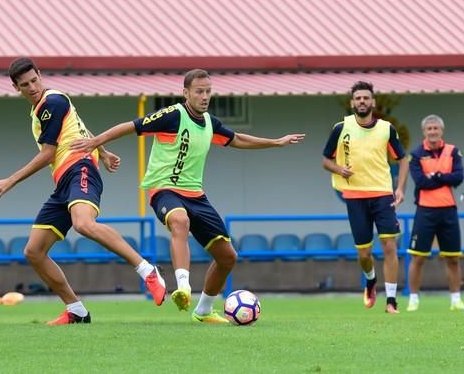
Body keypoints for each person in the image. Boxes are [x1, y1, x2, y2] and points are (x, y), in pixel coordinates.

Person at [71, 69, 305, 323]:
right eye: (199, 91)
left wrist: (275, 142)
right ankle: (183, 287)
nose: (205, 97)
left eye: (208, 91)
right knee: (180, 221)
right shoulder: (172, 115)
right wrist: (97, 142)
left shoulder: (210, 123)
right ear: (186, 93)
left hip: (196, 195)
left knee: (227, 257)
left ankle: (203, 311)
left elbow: (236, 139)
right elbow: (131, 126)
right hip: (164, 189)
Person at [0, 57, 166, 325]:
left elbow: (49, 153)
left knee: (83, 224)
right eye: (25, 84)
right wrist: (103, 151)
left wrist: (11, 180)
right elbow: (79, 126)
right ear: (16, 88)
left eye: (35, 80)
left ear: (40, 74)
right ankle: (76, 310)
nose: (32, 87)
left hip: (79, 169)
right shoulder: (45, 108)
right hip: (64, 181)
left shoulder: (52, 102)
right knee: (34, 252)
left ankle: (147, 270)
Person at [322, 81, 408, 314]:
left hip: (382, 194)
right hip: (355, 196)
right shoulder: (341, 127)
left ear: (373, 102)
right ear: (352, 102)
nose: (362, 101)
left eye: (365, 98)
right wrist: (339, 170)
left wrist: (400, 189)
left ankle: (391, 301)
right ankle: (370, 280)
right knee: (364, 253)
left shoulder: (386, 129)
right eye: (358, 98)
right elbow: (325, 160)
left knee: (390, 245)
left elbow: (403, 159)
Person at [406, 115, 464, 312]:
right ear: (424, 132)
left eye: (436, 128)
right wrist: (444, 178)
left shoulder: (453, 151)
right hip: (425, 210)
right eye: (429, 129)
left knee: (452, 258)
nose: (433, 132)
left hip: (448, 210)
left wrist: (437, 176)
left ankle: (456, 300)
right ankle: (413, 300)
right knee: (418, 257)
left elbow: (458, 177)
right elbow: (421, 182)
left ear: (441, 131)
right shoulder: (416, 154)